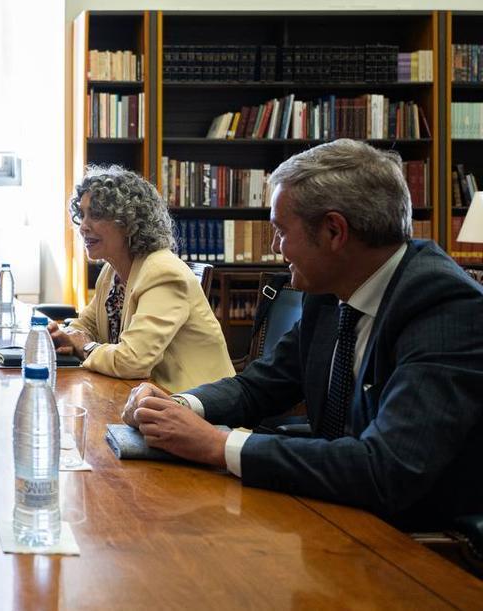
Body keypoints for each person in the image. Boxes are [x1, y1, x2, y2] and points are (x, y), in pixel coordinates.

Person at [122, 139, 483, 529]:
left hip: (416, 548)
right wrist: (178, 406)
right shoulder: (330, 293)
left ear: (333, 231)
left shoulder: (446, 309)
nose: (277, 248)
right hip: (331, 514)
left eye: (280, 231)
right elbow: (258, 387)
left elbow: (387, 468)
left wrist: (216, 445)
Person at [50, 165, 234, 392]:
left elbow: (132, 361)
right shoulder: (112, 272)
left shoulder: (163, 272)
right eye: (83, 214)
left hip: (197, 405)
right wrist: (66, 336)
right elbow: (87, 325)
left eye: (96, 215)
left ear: (129, 222)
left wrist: (84, 346)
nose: (83, 227)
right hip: (145, 397)